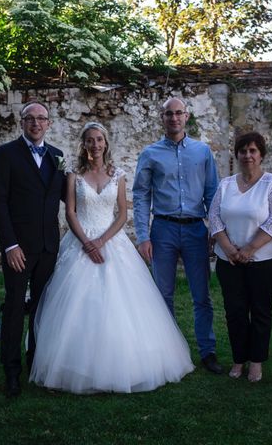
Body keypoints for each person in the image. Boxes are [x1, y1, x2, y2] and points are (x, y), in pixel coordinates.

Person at [30, 123, 194, 394]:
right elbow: (70, 213)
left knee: (123, 305)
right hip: (80, 241)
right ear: (84, 144)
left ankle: (127, 364)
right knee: (76, 304)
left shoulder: (117, 174)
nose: (95, 145)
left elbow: (122, 214)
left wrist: (102, 242)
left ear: (106, 143)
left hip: (111, 242)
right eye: (90, 140)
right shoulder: (74, 175)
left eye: (99, 140)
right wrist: (87, 243)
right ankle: (75, 367)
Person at [133, 97, 223, 374]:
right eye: (168, 114)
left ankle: (207, 351)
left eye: (178, 113)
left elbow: (213, 193)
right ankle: (167, 351)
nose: (174, 118)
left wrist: (216, 231)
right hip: (163, 229)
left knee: (202, 295)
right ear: (162, 118)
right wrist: (142, 236)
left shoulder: (202, 152)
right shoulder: (150, 153)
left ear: (187, 117)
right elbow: (140, 195)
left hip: (196, 229)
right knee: (163, 294)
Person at [0, 102, 66, 397]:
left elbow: (67, 196)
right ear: (21, 122)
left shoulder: (57, 156)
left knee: (42, 307)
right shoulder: (7, 154)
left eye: (41, 119)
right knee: (13, 309)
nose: (36, 123)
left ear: (49, 123)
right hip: (18, 249)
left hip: (49, 246)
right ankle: (11, 371)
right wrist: (9, 244)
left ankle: (37, 364)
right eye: (30, 119)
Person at [208, 132, 272, 382]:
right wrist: (230, 249)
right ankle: (239, 358)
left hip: (264, 261)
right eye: (243, 151)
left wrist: (250, 249)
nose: (248, 155)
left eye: (253, 150)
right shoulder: (226, 184)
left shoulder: (271, 184)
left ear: (261, 154)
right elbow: (214, 217)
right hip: (228, 260)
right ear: (237, 155)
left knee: (260, 311)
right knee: (235, 311)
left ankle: (256, 361)